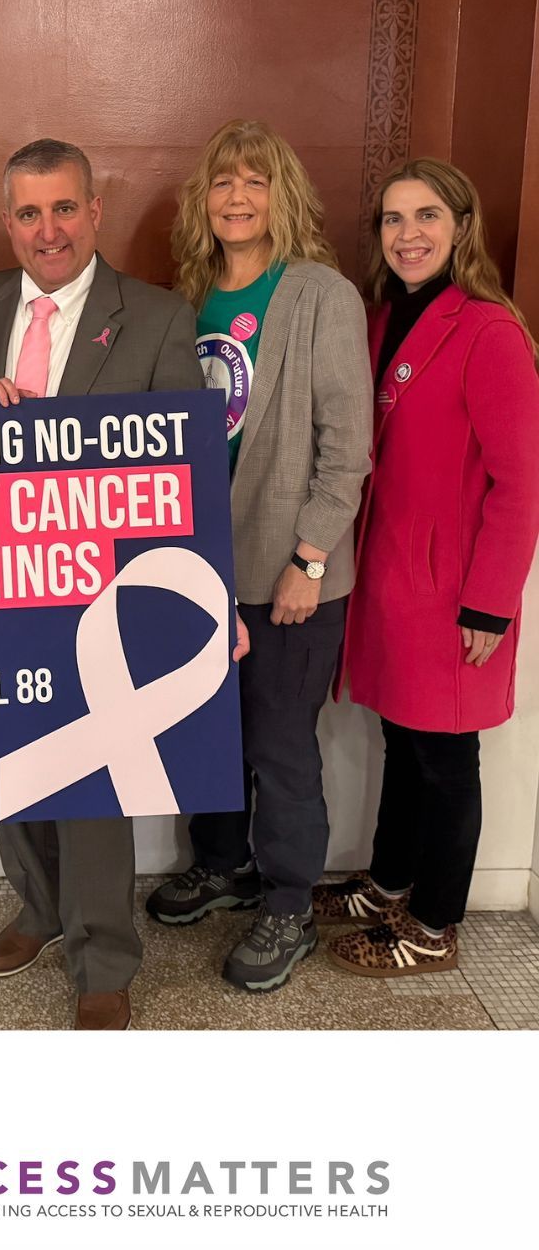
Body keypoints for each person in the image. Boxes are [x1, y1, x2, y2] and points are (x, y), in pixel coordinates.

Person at [0, 137, 204, 1030]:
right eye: (30, 213)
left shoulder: (156, 316)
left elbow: (185, 468)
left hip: (105, 594)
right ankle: (39, 909)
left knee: (95, 781)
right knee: (10, 759)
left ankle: (104, 957)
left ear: (95, 211)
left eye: (65, 208)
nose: (49, 230)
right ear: (8, 222)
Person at [146, 120, 372, 992]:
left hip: (290, 571)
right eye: (222, 182)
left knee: (279, 745)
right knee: (208, 734)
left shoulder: (319, 294)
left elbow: (346, 446)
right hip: (203, 564)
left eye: (255, 181)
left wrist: (309, 560)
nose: (237, 197)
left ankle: (288, 904)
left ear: (285, 196)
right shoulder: (188, 296)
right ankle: (222, 865)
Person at [317, 158, 539, 975]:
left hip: (452, 591)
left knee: (445, 761)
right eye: (393, 219)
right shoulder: (380, 322)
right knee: (403, 740)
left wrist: (491, 604)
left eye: (427, 216)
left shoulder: (490, 331)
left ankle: (434, 924)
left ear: (462, 227)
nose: (408, 234)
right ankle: (388, 884)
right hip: (389, 581)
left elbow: (522, 484)